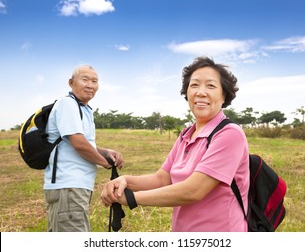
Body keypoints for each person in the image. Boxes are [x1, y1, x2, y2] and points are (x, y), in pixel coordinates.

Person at [101, 56, 249, 232]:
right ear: (186, 93)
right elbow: (163, 178)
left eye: (211, 86)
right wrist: (125, 180)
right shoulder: (186, 134)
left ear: (224, 95)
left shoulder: (230, 134)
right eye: (194, 85)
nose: (201, 92)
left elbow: (193, 190)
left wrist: (132, 198)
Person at [44, 65, 124, 232]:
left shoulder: (84, 109)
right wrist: (105, 162)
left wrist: (106, 152)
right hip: (68, 185)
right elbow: (78, 143)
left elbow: (85, 142)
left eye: (94, 81)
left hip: (74, 186)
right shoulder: (68, 104)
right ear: (71, 83)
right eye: (85, 79)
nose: (90, 85)